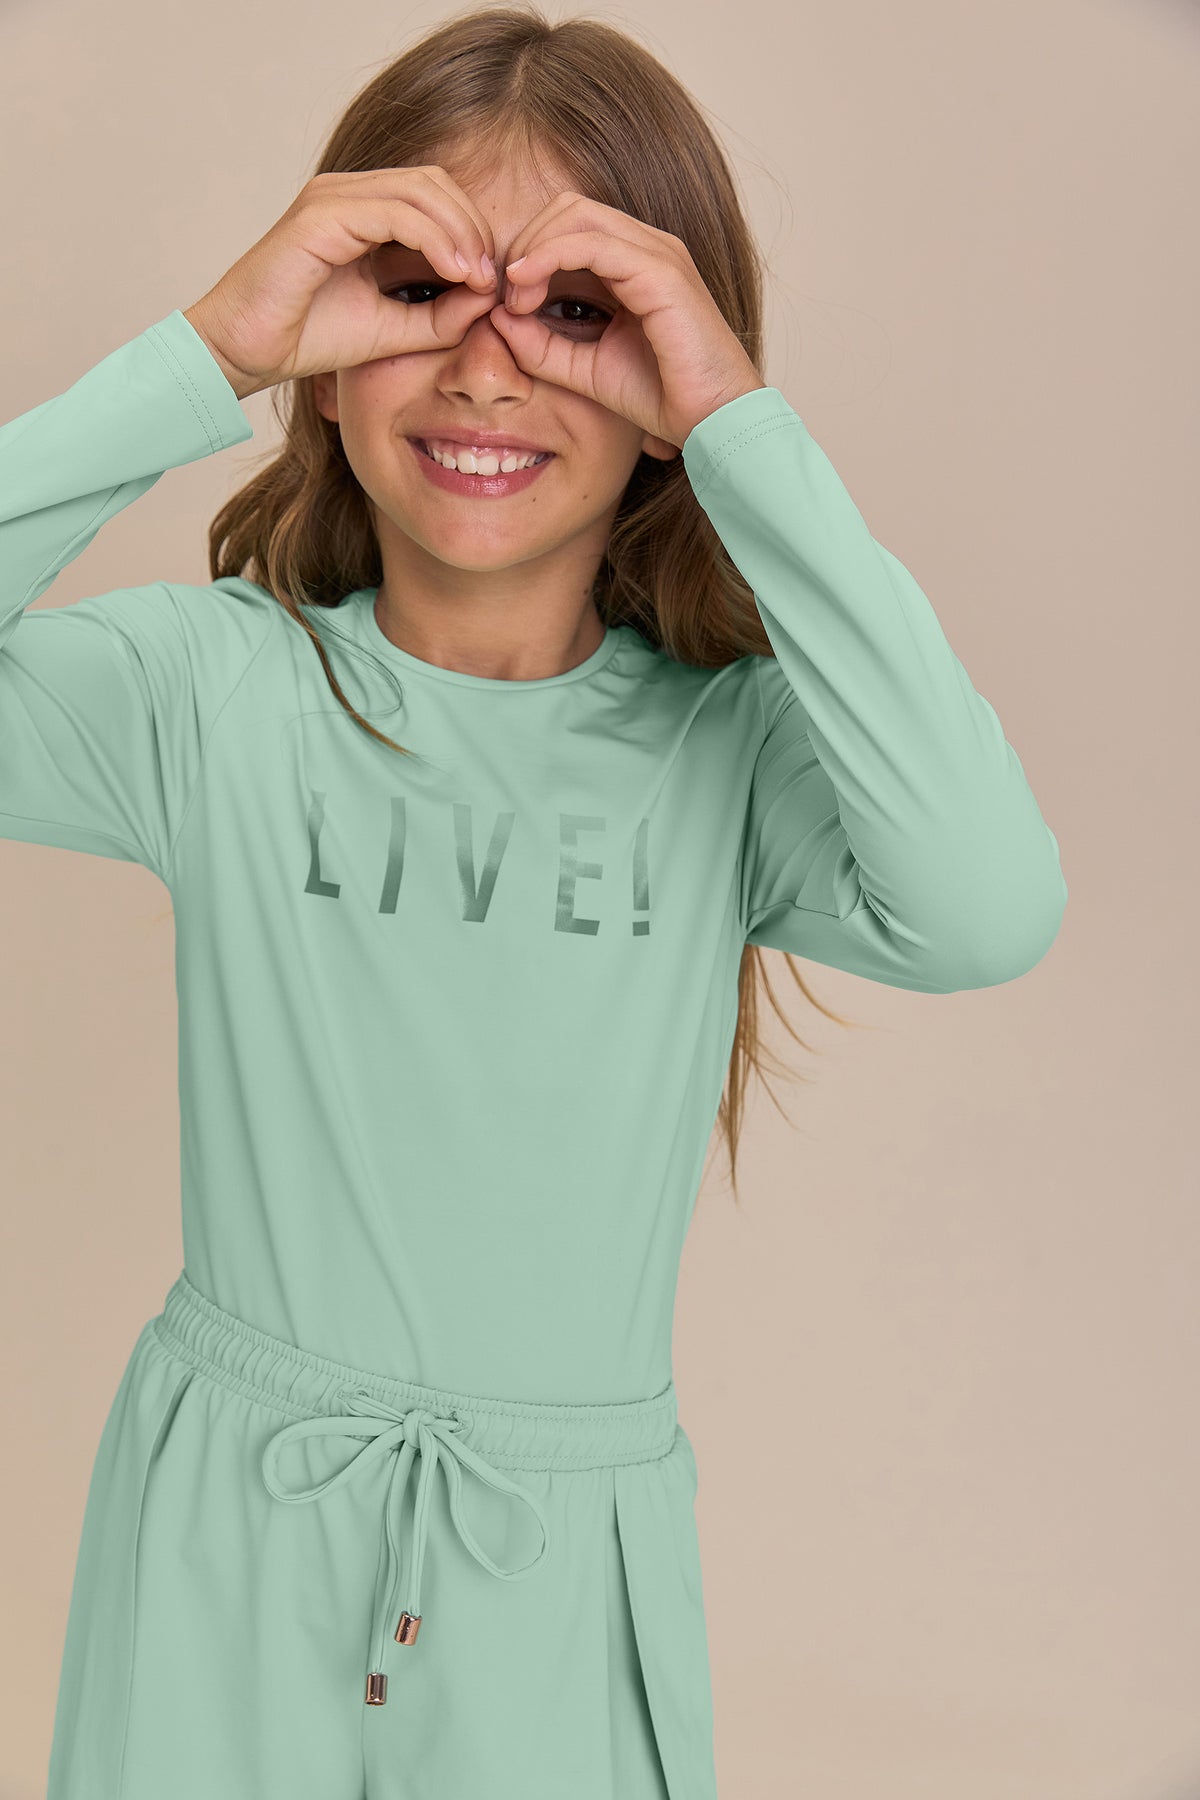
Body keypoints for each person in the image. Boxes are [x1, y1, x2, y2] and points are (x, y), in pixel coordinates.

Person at [2, 8, 1067, 1798]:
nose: (487, 373)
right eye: (416, 291)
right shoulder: (209, 692)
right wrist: (208, 350)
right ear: (324, 355)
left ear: (667, 384)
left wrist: (740, 428)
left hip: (558, 1575)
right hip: (223, 1537)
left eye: (576, 311)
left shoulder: (734, 752)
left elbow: (987, 905)